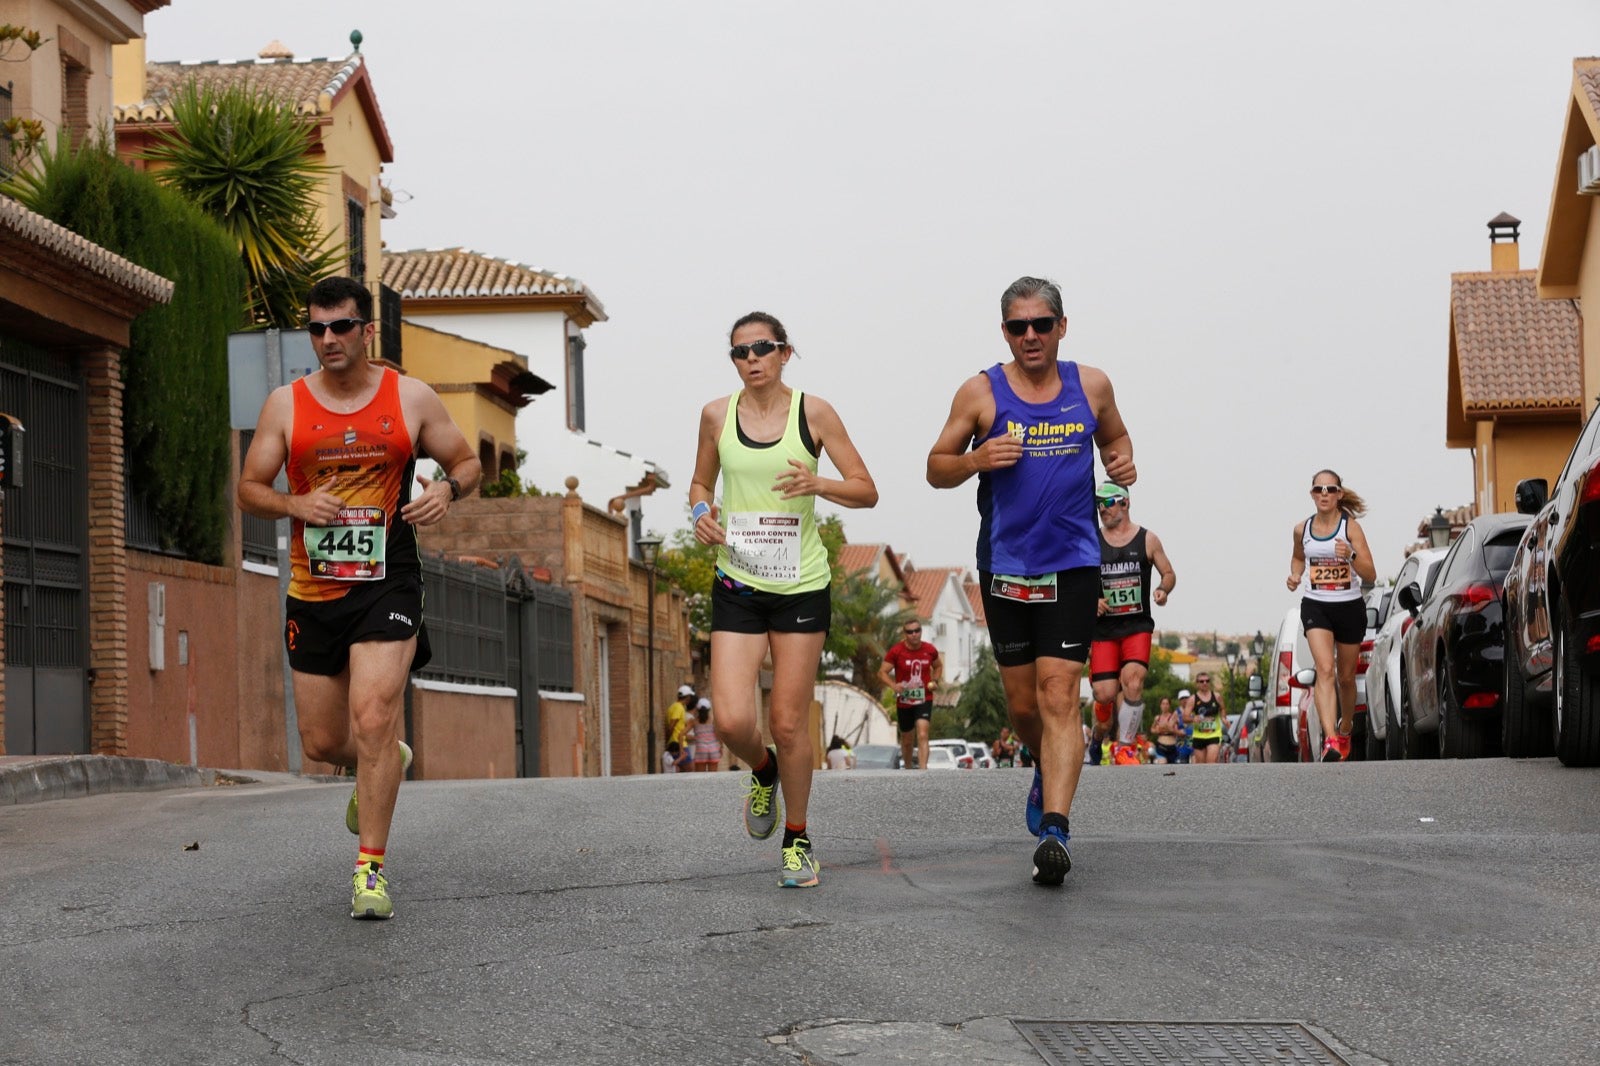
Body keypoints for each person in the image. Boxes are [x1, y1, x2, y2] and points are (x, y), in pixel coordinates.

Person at [238, 275, 481, 920]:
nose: (327, 339)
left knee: (373, 715)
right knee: (323, 741)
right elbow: (249, 488)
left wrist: (446, 492)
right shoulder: (285, 406)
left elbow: (468, 462)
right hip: (313, 587)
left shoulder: (412, 398)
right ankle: (386, 759)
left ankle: (370, 870)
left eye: (340, 326)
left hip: (389, 580)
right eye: (316, 328)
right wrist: (294, 502)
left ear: (366, 330)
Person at [926, 275, 1135, 886]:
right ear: (1005, 334)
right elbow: (935, 467)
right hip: (1005, 566)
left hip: (1073, 563)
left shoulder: (1090, 386)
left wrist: (1120, 460)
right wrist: (973, 460)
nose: (1031, 336)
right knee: (1024, 708)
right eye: (1018, 327)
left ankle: (1056, 829)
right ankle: (1045, 765)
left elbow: (1116, 439)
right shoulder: (980, 393)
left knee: (1058, 695)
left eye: (1042, 324)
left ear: (1062, 327)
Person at [690, 310, 878, 888]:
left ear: (785, 353)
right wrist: (699, 512)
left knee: (789, 722)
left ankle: (797, 839)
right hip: (739, 580)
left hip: (799, 583)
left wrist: (818, 482)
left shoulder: (813, 413)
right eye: (740, 352)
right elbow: (700, 483)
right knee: (730, 719)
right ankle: (762, 769)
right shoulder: (716, 415)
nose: (751, 360)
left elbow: (866, 490)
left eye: (762, 349)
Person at [1286, 469, 1377, 762]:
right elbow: (1299, 556)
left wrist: (1349, 554)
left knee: (1346, 677)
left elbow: (1370, 574)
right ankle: (1331, 740)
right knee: (1324, 669)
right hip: (1316, 605)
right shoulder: (1302, 529)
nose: (1324, 494)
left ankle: (1346, 726)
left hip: (1349, 606)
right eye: (1318, 489)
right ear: (1312, 494)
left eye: (1330, 489)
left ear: (1339, 494)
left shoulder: (1350, 529)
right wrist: (1295, 575)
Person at [1089, 482, 1175, 747]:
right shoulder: (1092, 540)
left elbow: (1169, 573)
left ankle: (1124, 746)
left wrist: (1162, 589)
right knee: (1104, 694)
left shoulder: (1148, 539)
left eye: (1107, 503)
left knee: (1134, 682)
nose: (1101, 510)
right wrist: (1091, 600)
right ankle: (1098, 736)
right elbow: (1076, 580)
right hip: (1103, 630)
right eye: (1098, 505)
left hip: (1137, 626)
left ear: (1124, 503)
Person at [880, 620, 942, 772]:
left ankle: (923, 770)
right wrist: (894, 686)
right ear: (905, 634)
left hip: (924, 697)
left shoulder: (929, 649)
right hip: (905, 700)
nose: (914, 634)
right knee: (907, 739)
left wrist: (934, 680)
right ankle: (908, 768)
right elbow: (882, 672)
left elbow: (938, 665)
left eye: (917, 630)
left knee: (922, 733)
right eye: (910, 632)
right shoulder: (897, 651)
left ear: (921, 631)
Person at [1184, 673, 1227, 764]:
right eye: (1202, 681)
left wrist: (1223, 718)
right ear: (1197, 684)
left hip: (1214, 734)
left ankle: (1212, 778)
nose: (1205, 683)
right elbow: (1185, 717)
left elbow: (1222, 708)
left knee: (1211, 762)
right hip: (1199, 735)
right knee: (1201, 766)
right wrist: (1193, 719)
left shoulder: (1217, 696)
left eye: (1207, 681)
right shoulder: (1192, 699)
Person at [1150, 696, 1183, 764]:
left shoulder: (1173, 717)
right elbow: (1152, 729)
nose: (1165, 706)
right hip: (1161, 746)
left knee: (1172, 769)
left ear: (1169, 705)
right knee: (1162, 763)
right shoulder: (1157, 718)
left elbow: (1180, 731)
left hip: (1172, 746)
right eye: (1163, 704)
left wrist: (1172, 730)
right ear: (1160, 705)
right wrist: (1157, 731)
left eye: (1167, 704)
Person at [692, 698, 721, 772]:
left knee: (700, 778)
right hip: (714, 749)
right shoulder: (714, 720)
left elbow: (682, 733)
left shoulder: (694, 721)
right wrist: (721, 747)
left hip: (701, 749)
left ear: (698, 709)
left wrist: (682, 749)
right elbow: (719, 735)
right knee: (713, 777)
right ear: (709, 709)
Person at [666, 683, 696, 755]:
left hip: (677, 742)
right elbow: (671, 726)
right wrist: (669, 740)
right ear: (687, 697)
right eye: (690, 697)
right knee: (691, 766)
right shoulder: (678, 708)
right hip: (678, 742)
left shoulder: (676, 706)